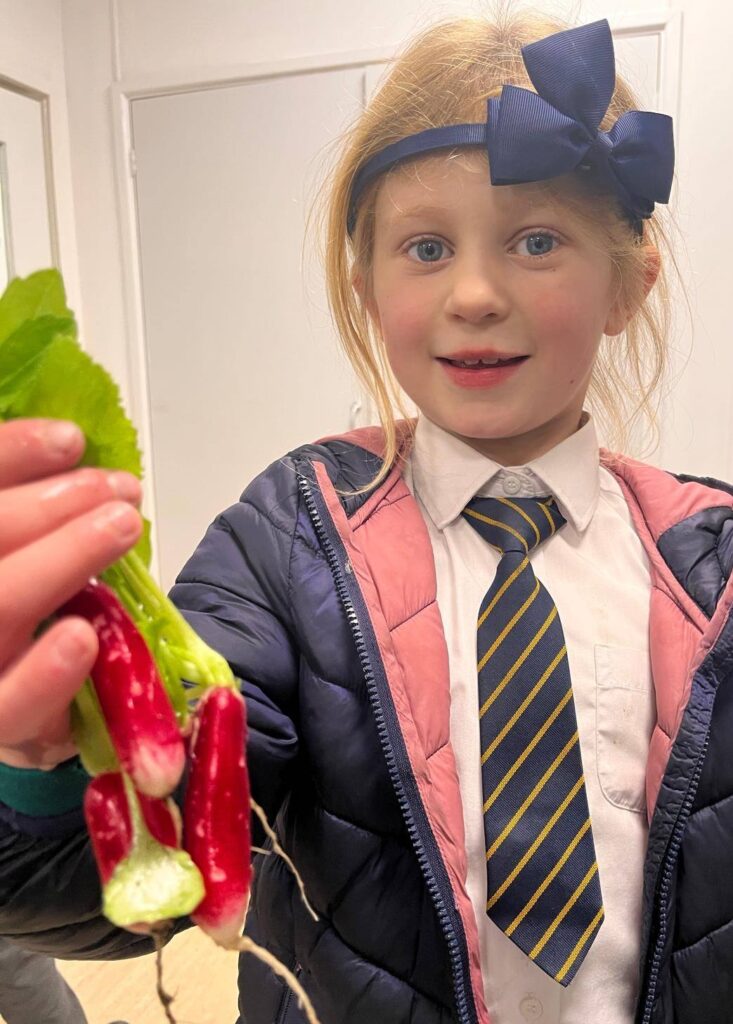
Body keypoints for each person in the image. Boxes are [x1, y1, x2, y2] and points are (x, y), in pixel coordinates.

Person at [0, 9, 730, 1024]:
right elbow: (141, 869)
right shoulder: (281, 543)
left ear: (625, 285)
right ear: (364, 283)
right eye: (426, 247)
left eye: (534, 240)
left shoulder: (712, 560)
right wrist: (41, 769)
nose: (473, 293)